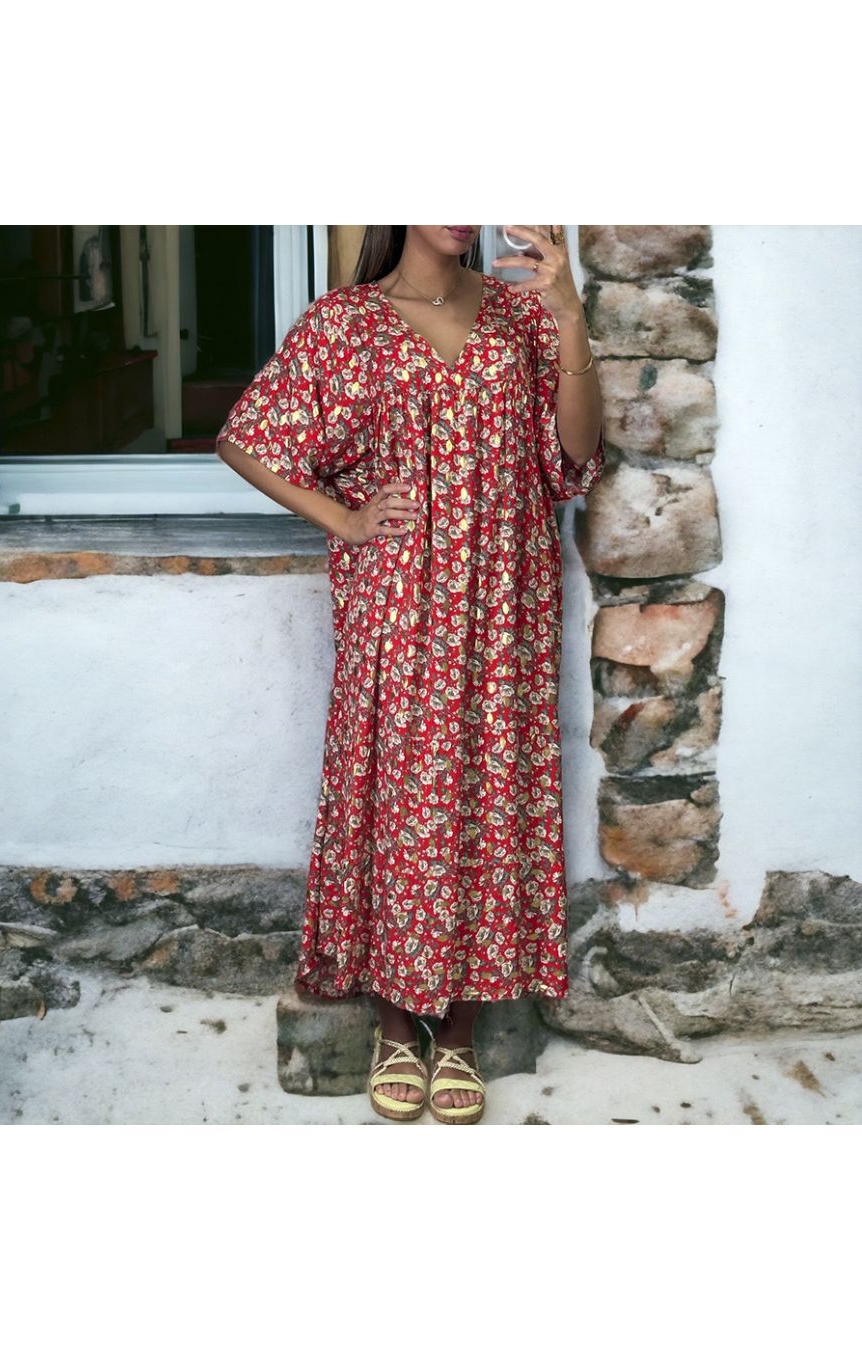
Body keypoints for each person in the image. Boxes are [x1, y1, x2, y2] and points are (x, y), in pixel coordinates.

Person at [216, 225, 606, 1124]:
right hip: (398, 601)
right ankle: (397, 1023)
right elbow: (246, 439)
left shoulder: (521, 316)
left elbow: (574, 455)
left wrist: (570, 315)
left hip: (505, 600)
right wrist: (346, 520)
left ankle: (460, 1030)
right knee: (401, 803)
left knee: (485, 797)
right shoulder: (347, 322)